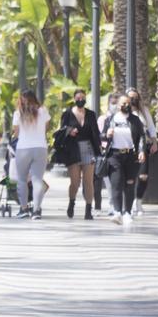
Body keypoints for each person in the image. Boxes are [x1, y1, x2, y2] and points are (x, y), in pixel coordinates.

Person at [102, 93, 146, 225]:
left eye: (128, 103)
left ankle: (127, 212)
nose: (126, 105)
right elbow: (102, 136)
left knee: (129, 184)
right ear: (118, 105)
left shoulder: (135, 120)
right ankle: (117, 212)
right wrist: (106, 134)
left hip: (131, 155)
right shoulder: (110, 119)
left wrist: (142, 151)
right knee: (116, 183)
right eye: (123, 103)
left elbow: (142, 136)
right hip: (114, 155)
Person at [59, 90, 100, 220]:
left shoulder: (91, 114)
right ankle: (72, 202)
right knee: (75, 182)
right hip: (73, 149)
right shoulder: (67, 114)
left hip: (88, 148)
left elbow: (96, 132)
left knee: (88, 181)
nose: (81, 99)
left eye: (83, 97)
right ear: (74, 99)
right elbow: (62, 130)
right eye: (78, 97)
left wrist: (98, 148)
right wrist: (69, 131)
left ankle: (88, 210)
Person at [12, 90, 50, 220]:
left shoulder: (18, 114)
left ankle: (24, 209)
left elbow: (16, 133)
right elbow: (46, 127)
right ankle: (36, 211)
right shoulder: (43, 111)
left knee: (22, 180)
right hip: (40, 148)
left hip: (23, 148)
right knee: (37, 179)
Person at [125, 88, 158, 214]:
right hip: (127, 144)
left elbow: (151, 127)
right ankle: (127, 203)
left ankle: (138, 202)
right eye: (131, 97)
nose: (133, 100)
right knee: (129, 177)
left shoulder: (143, 111)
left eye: (135, 97)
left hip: (142, 144)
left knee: (143, 175)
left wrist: (154, 142)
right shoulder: (123, 111)